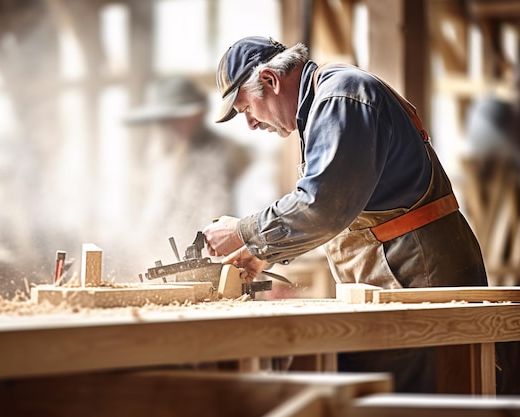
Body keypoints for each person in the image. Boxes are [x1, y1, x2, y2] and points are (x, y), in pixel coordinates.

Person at [201, 36, 499, 393]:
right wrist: (261, 252)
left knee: (423, 399)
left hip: (418, 277)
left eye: (247, 108)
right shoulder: (327, 101)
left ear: (270, 80)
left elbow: (323, 205)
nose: (250, 124)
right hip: (404, 274)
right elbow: (339, 206)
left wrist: (244, 231)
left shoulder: (340, 98)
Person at [124, 75, 250, 259]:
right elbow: (153, 218)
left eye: (175, 118)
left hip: (215, 260)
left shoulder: (220, 155)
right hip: (165, 258)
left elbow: (215, 219)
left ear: (197, 115)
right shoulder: (163, 157)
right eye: (165, 120)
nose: (169, 126)